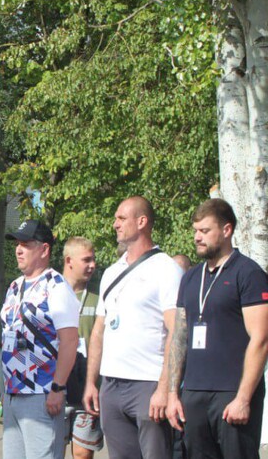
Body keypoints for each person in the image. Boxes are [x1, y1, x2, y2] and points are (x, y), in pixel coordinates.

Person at [166, 199, 268, 458]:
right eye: (195, 231)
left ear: (226, 230)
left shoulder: (248, 274)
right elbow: (180, 336)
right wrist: (172, 394)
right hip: (194, 394)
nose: (197, 238)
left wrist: (244, 398)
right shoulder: (190, 277)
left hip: (232, 394)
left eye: (205, 231)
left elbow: (261, 339)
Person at [82, 197, 182, 459]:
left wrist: (165, 389)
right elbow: (99, 331)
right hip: (112, 384)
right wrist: (92, 382)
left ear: (142, 222)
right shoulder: (111, 272)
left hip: (147, 384)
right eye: (115, 218)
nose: (115, 224)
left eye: (121, 218)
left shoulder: (166, 269)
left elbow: (177, 332)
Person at [1, 219, 80, 459]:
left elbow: (69, 342)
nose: (18, 249)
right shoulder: (15, 286)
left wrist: (57, 387)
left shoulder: (56, 286)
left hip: (41, 393)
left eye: (26, 244)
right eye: (17, 243)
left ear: (44, 249)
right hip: (13, 392)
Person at [60, 237, 104, 458]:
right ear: (69, 261)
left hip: (86, 390)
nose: (93, 265)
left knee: (82, 454)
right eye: (87, 260)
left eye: (94, 260)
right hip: (55, 392)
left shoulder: (99, 300)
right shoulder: (51, 295)